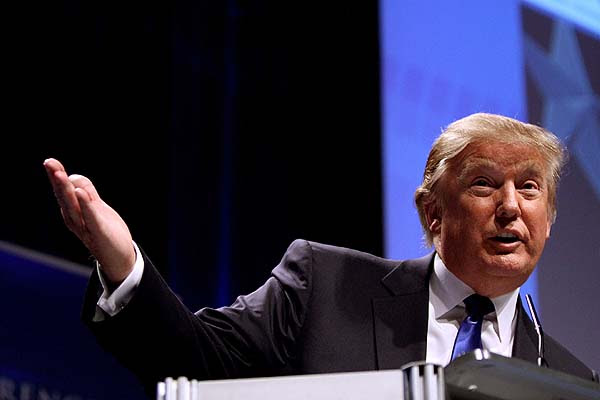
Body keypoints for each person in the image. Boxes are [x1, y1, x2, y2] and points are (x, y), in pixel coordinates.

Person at [44, 113, 597, 397]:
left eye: (529, 189)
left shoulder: (572, 381)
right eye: (483, 185)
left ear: (548, 220)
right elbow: (196, 362)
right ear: (433, 213)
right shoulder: (327, 288)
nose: (510, 207)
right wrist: (122, 265)